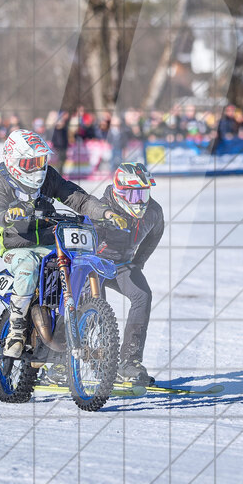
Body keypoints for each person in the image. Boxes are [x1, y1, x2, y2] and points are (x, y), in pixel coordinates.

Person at [0, 129, 128, 375]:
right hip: (19, 246)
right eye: (32, 163)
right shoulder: (2, 182)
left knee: (78, 263)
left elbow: (76, 198)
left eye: (41, 162)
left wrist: (106, 212)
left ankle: (75, 327)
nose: (38, 169)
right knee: (29, 268)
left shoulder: (48, 177)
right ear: (14, 161)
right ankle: (17, 330)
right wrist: (8, 214)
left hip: (53, 242)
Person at [95, 162, 163, 386]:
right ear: (119, 191)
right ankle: (61, 362)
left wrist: (138, 263)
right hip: (93, 264)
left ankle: (129, 363)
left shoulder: (153, 211)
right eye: (134, 195)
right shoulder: (102, 209)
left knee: (142, 295)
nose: (140, 200)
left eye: (144, 193)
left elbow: (153, 237)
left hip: (122, 264)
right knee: (93, 306)